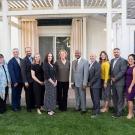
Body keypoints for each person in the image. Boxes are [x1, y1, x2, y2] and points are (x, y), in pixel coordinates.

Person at [111, 48, 127, 118]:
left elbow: (123, 71)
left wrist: (115, 78)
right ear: (113, 53)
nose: (116, 53)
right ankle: (116, 109)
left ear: (120, 52)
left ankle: (119, 112)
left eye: (117, 52)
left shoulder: (123, 61)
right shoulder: (112, 60)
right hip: (113, 82)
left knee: (120, 97)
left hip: (120, 82)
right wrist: (111, 77)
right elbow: (111, 71)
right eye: (114, 52)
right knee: (114, 97)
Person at [71, 50, 89, 114]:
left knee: (82, 96)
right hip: (75, 82)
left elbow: (86, 73)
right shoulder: (73, 62)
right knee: (77, 96)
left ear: (80, 53)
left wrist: (84, 83)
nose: (77, 54)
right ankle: (77, 107)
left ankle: (83, 109)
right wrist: (72, 82)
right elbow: (72, 73)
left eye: (78, 53)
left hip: (82, 83)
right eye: (76, 53)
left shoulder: (85, 61)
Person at [21, 47, 35, 112]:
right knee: (28, 95)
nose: (28, 52)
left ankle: (32, 105)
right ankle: (28, 108)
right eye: (27, 51)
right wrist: (25, 81)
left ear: (31, 51)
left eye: (29, 51)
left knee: (32, 94)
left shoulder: (33, 59)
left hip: (33, 80)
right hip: (27, 81)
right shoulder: (23, 60)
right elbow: (23, 72)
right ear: (25, 52)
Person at [88, 53, 101, 118]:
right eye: (90, 56)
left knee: (96, 99)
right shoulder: (90, 64)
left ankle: (97, 113)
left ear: (95, 57)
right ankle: (94, 109)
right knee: (93, 98)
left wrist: (90, 82)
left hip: (96, 85)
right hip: (92, 84)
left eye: (93, 56)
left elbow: (96, 75)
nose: (91, 57)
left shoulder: (97, 64)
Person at [125, 54, 135, 119]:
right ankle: (131, 113)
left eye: (131, 59)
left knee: (130, 100)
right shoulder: (128, 66)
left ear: (134, 60)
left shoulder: (134, 68)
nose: (130, 60)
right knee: (128, 100)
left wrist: (130, 87)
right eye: (129, 59)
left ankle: (130, 114)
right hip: (127, 85)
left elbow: (134, 79)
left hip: (131, 86)